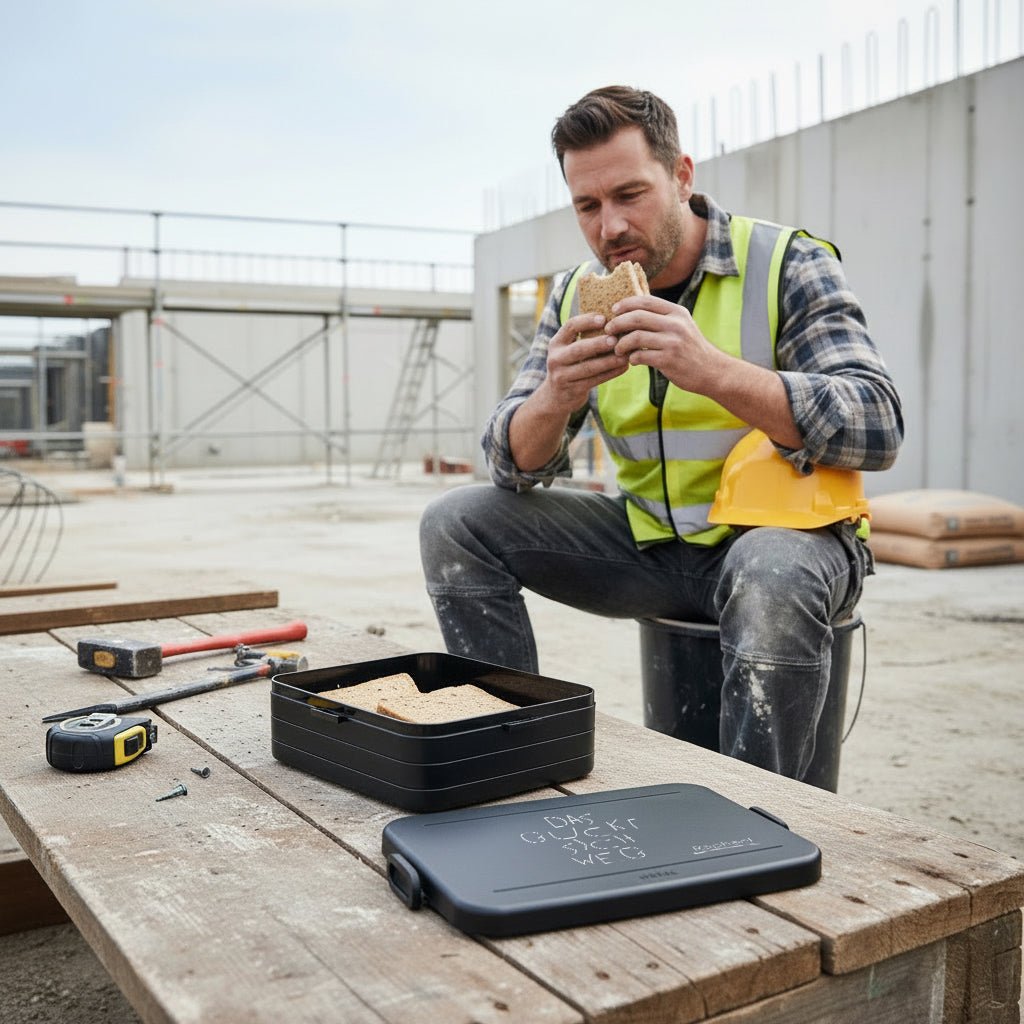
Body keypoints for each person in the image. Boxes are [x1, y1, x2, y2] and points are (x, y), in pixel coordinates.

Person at [419, 85, 903, 782]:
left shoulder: (788, 263)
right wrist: (557, 394)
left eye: (629, 194)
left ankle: (759, 823)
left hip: (787, 550)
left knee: (768, 571)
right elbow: (510, 464)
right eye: (588, 206)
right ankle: (511, 763)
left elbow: (878, 423)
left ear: (681, 176)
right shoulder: (577, 293)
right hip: (654, 549)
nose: (610, 227)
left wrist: (713, 371)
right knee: (454, 525)